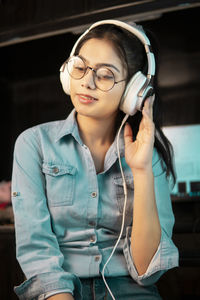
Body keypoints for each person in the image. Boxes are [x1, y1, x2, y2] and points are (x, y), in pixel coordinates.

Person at [11, 20, 179, 300]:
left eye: (105, 75)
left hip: (131, 289)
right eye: (80, 67)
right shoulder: (33, 143)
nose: (86, 82)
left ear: (133, 92)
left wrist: (141, 170)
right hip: (59, 290)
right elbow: (36, 248)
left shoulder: (151, 154)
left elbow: (148, 269)